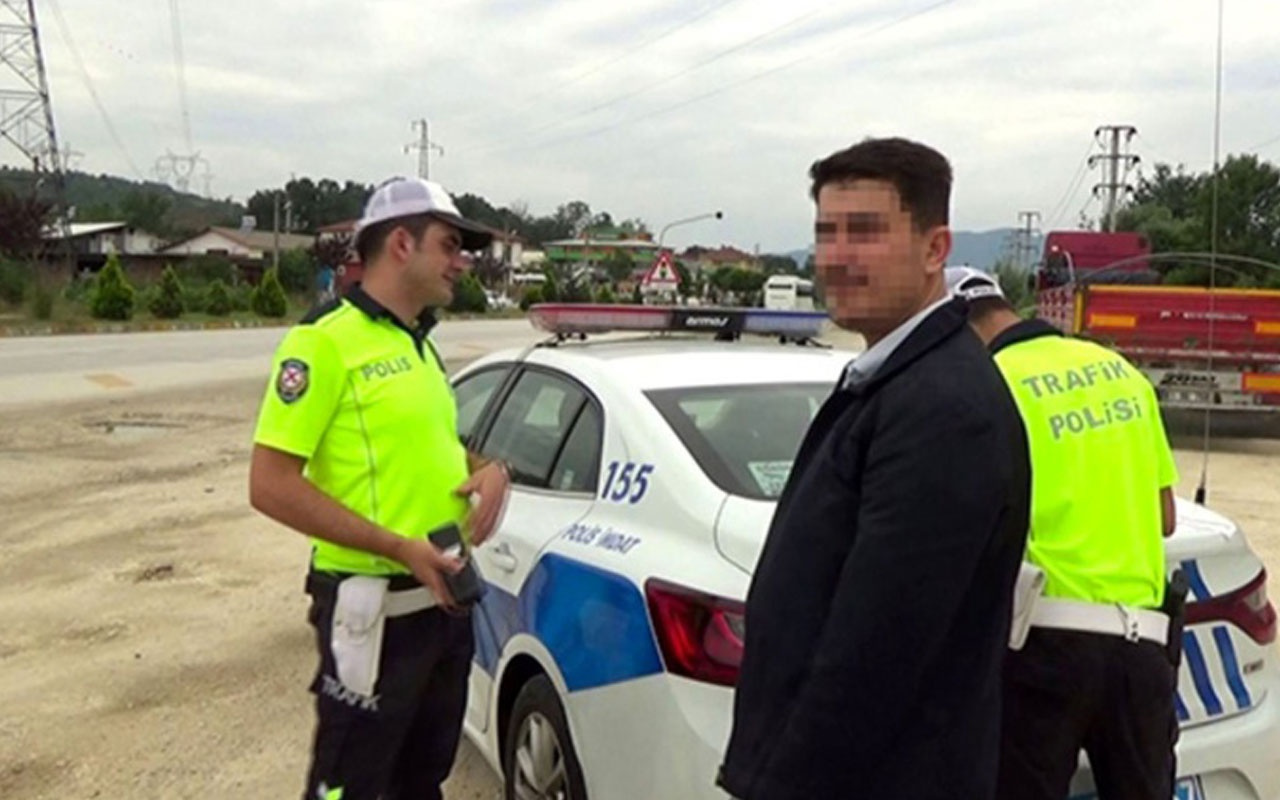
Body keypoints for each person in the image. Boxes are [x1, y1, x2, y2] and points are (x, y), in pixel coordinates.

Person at [718, 138, 1031, 800]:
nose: (836, 256)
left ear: (933, 249)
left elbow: (876, 650)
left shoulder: (942, 407)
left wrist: (781, 786)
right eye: (826, 233)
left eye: (865, 232)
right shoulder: (893, 379)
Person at [248, 176, 510, 800]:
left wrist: (492, 468)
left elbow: (431, 440)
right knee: (351, 785)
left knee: (422, 780)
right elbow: (270, 484)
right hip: (373, 613)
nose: (461, 262)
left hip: (443, 609)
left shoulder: (419, 343)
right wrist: (399, 548)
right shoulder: (323, 342)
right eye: (449, 246)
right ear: (400, 243)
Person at [945, 266, 1181, 800]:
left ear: (959, 329)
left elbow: (965, 523)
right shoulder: (1119, 370)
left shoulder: (985, 384)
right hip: (1142, 647)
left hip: (1046, 646)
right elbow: (1164, 517)